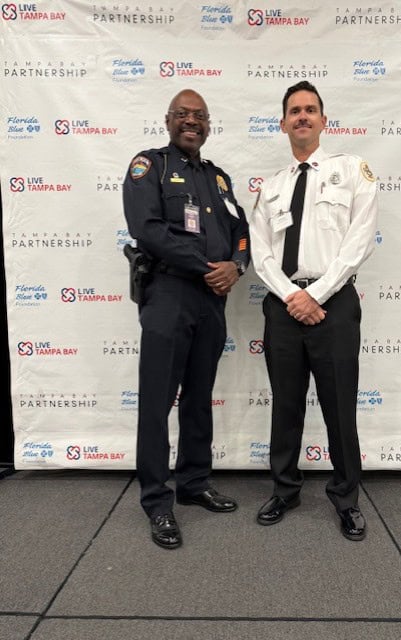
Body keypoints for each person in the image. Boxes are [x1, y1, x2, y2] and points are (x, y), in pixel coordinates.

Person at [249, 81, 378, 541]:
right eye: (294, 111)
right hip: (284, 305)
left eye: (310, 109)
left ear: (324, 120)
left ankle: (346, 498)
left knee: (339, 405)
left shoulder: (352, 171)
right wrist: (293, 297)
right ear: (283, 123)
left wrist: (316, 294)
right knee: (285, 405)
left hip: (334, 304)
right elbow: (261, 252)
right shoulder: (271, 187)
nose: (302, 116)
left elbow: (359, 242)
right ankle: (285, 490)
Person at [123, 89, 249, 549]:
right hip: (169, 294)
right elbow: (147, 229)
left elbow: (241, 231)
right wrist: (207, 267)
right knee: (158, 401)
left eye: (199, 116)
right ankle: (158, 502)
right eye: (183, 114)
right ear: (168, 120)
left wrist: (236, 266)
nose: (191, 121)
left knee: (199, 397)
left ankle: (194, 482)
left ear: (209, 125)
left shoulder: (218, 179)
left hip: (211, 301)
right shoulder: (149, 166)